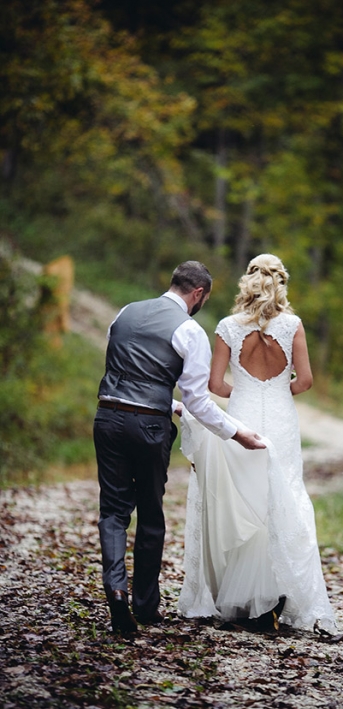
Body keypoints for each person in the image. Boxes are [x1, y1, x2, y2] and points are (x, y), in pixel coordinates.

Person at [93, 261, 265, 636]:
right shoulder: (190, 330)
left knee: (113, 511)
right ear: (199, 293)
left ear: (173, 284)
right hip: (149, 427)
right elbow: (200, 402)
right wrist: (237, 433)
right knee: (151, 513)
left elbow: (129, 373)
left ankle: (116, 590)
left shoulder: (124, 313)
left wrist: (170, 404)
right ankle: (146, 605)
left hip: (107, 415)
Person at [178, 254, 338, 633]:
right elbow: (306, 381)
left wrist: (246, 393)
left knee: (244, 501)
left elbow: (214, 385)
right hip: (281, 420)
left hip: (242, 417)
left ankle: (248, 600)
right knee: (283, 498)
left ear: (246, 283)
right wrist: (278, 391)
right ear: (280, 283)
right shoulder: (293, 326)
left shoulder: (228, 327)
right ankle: (280, 595)